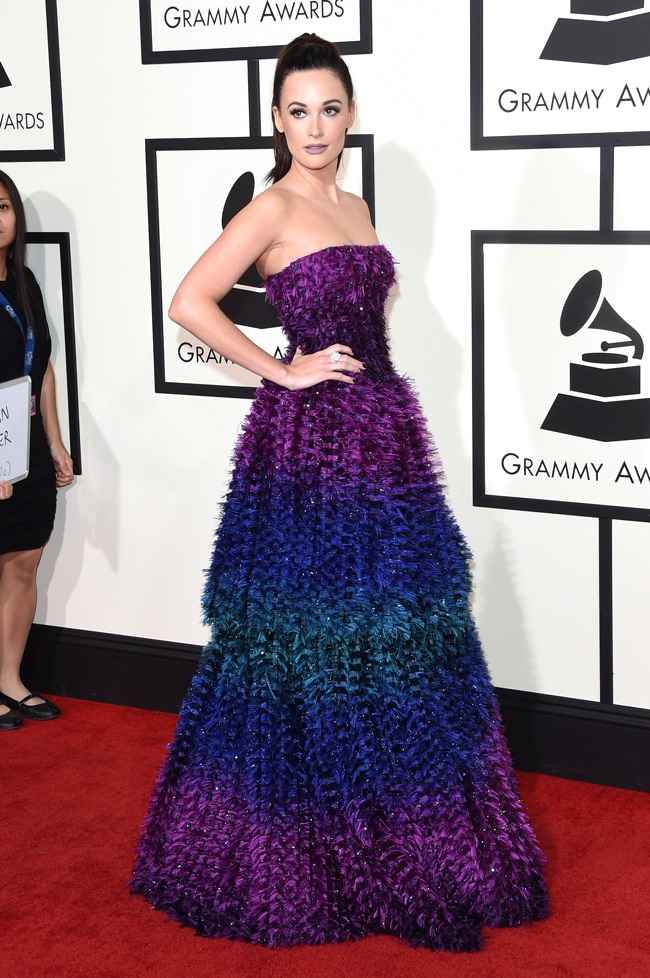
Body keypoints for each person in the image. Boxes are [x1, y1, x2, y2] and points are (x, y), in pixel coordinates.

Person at [131, 34, 549, 951]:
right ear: (276, 120)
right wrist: (282, 374)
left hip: (386, 435)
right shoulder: (272, 205)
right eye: (296, 110)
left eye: (329, 108)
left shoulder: (356, 205)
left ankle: (412, 815)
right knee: (313, 637)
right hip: (315, 450)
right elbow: (190, 301)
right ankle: (311, 838)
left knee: (401, 631)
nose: (314, 126)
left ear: (349, 114)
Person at [0, 170, 73, 731]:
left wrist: (54, 441)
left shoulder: (24, 280)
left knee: (23, 563)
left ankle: (9, 682)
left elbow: (40, 368)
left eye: (2, 207)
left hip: (23, 445)